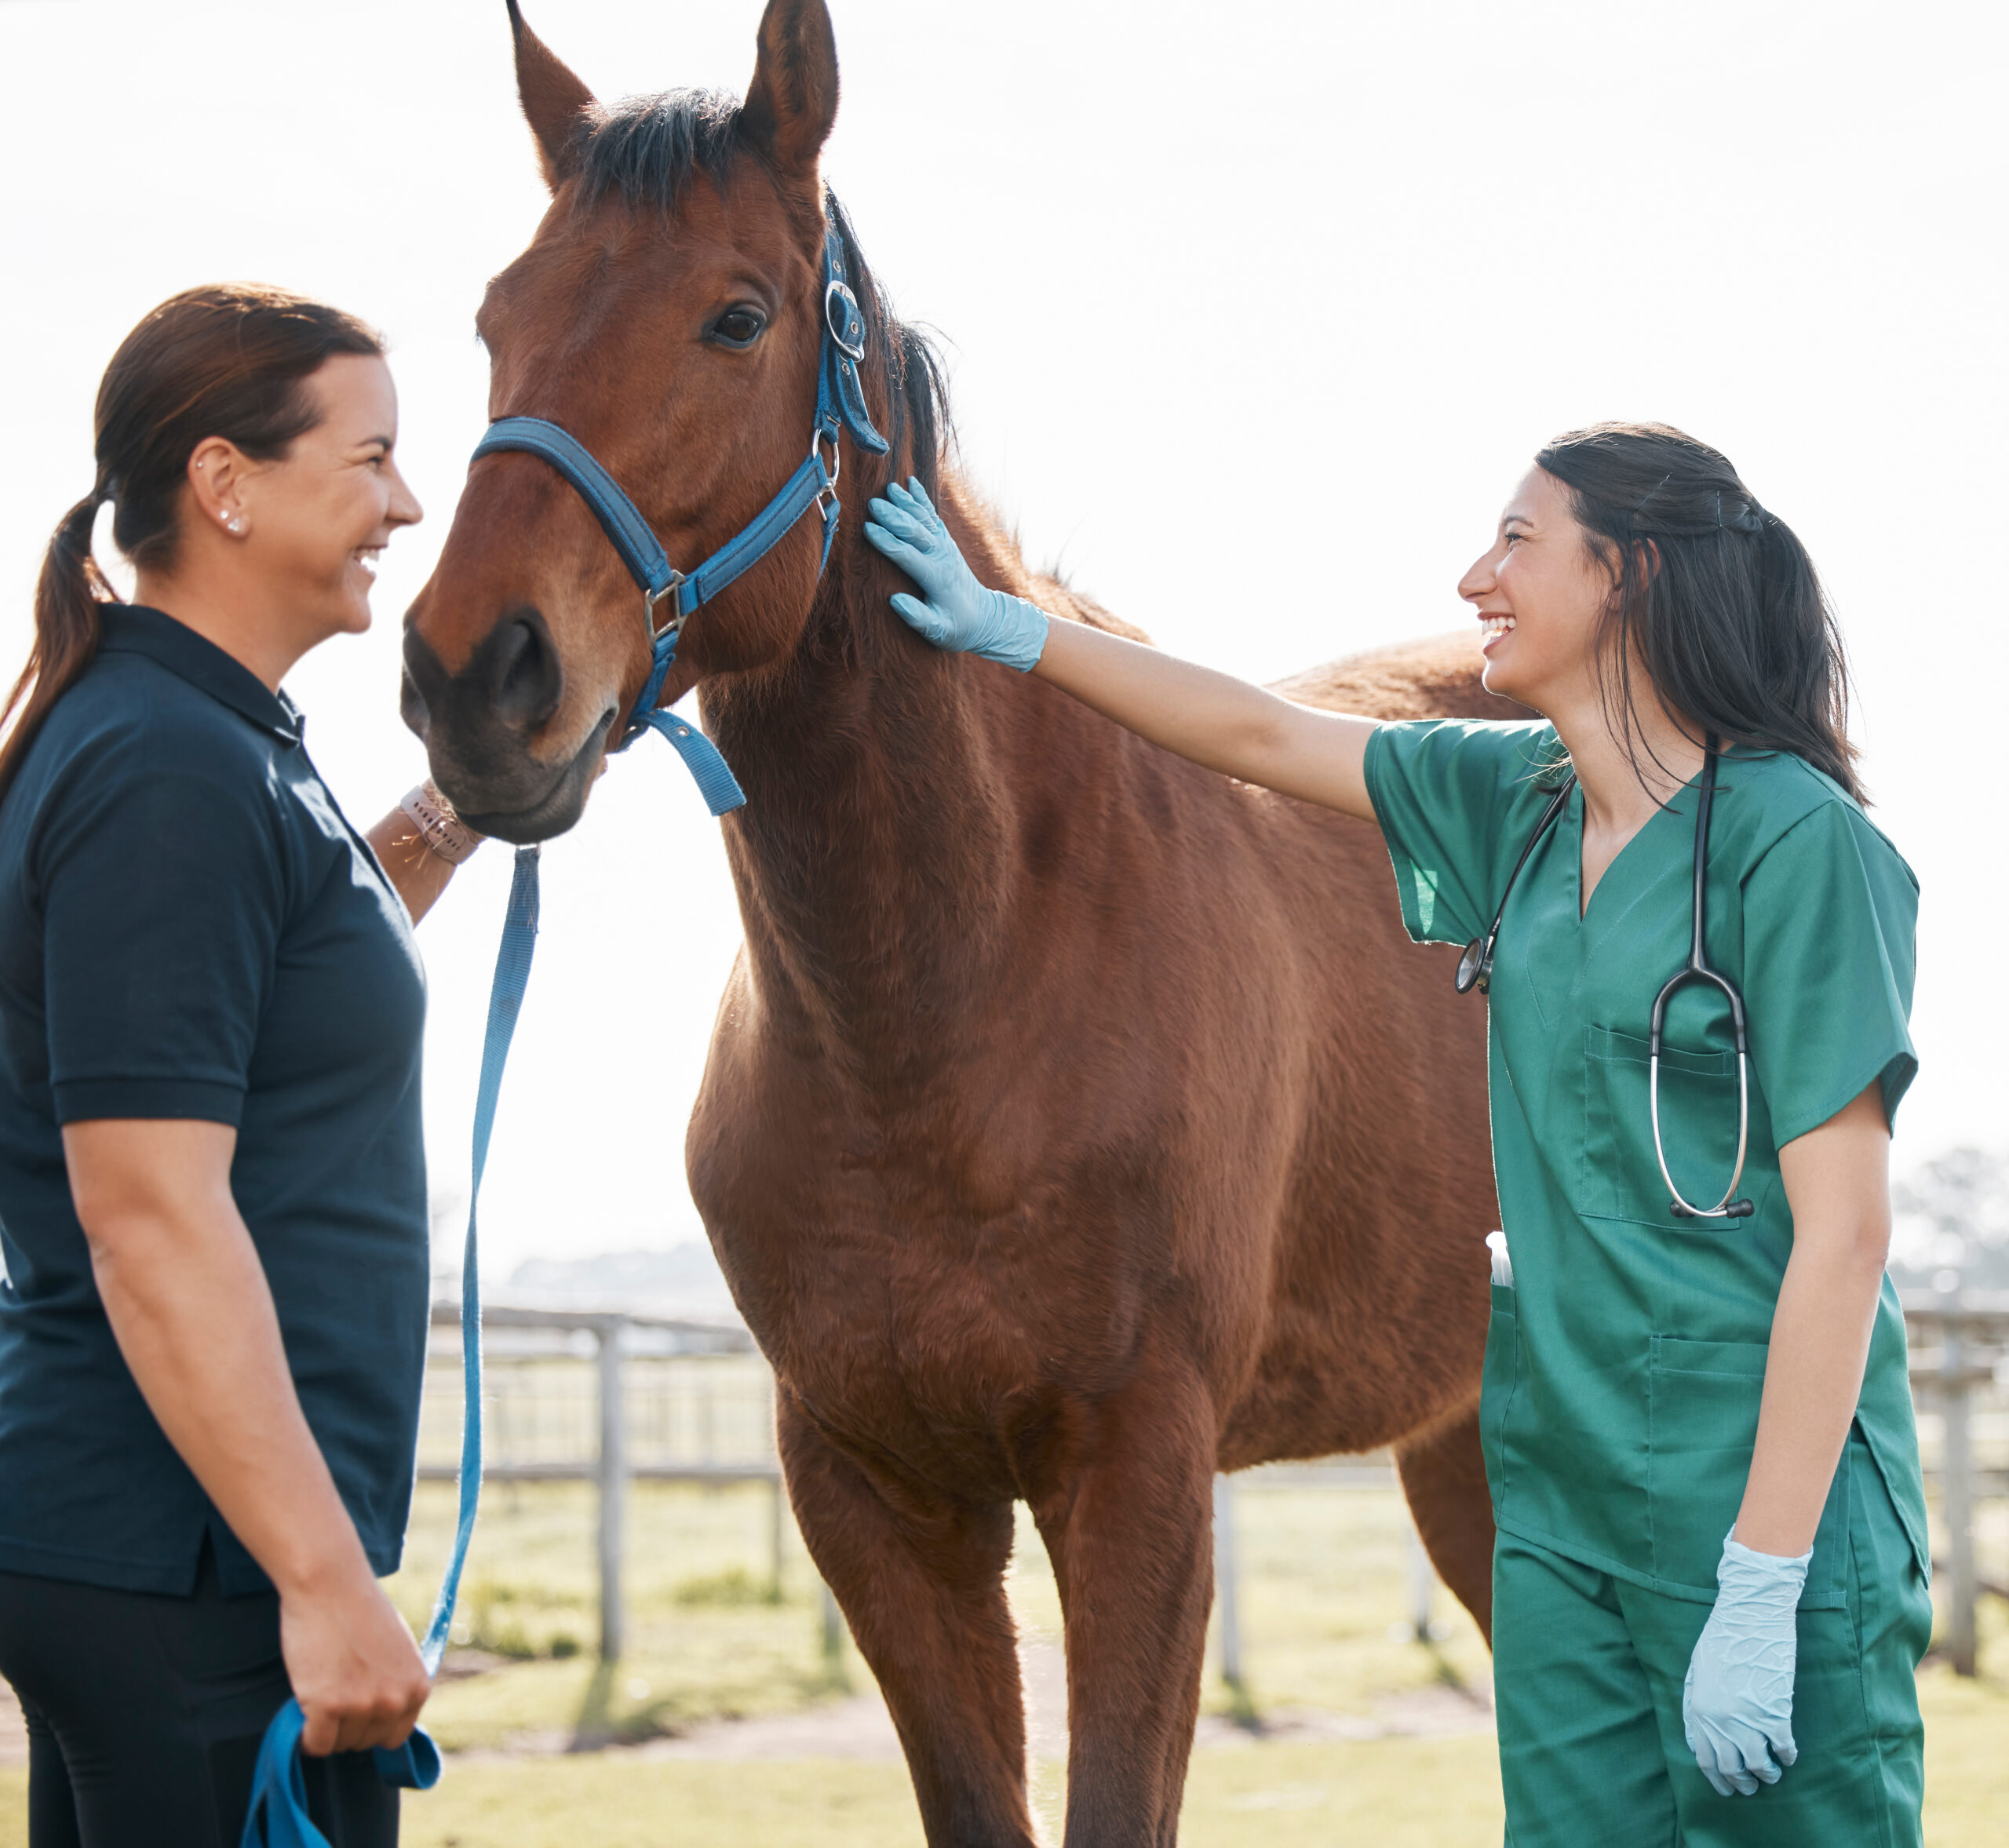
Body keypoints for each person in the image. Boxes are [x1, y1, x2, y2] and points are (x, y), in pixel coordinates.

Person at [862, 423, 1931, 1847]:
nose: (1474, 577)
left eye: (1519, 541)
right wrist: (1016, 632)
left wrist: (1767, 1572)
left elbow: (1846, 1238)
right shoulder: (1517, 809)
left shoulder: (1804, 851)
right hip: (1560, 1486)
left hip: (1757, 1477)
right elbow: (1257, 734)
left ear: (1634, 576)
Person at [0, 284, 487, 1847]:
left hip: (177, 1556)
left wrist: (468, 797)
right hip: (189, 1569)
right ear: (226, 482)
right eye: (370, 458)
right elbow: (148, 1216)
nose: (406, 503)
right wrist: (322, 1579)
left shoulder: (208, 741)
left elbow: (283, 976)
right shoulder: (165, 769)